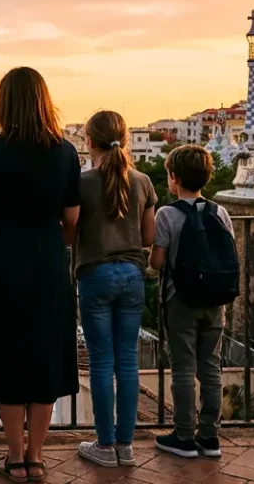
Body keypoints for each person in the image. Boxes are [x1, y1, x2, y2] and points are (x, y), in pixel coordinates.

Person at [0, 67, 80, 483]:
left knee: (8, 355)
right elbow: (72, 218)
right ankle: (38, 457)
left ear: (4, 103)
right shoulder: (65, 151)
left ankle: (15, 456)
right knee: (43, 356)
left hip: (4, 263)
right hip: (48, 263)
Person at [73, 111, 157, 468]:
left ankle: (104, 446)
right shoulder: (142, 181)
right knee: (127, 362)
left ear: (88, 141)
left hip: (95, 274)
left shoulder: (83, 182)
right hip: (133, 275)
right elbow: (150, 237)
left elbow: (69, 230)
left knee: (101, 363)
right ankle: (126, 445)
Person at [149, 145, 234, 459]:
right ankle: (210, 437)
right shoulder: (220, 212)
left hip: (181, 299)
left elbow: (158, 261)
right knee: (211, 367)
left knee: (183, 368)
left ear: (173, 179)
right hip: (216, 300)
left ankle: (184, 436)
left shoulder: (167, 214)